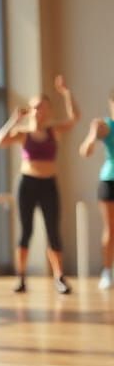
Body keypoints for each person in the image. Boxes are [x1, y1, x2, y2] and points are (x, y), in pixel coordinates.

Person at [0, 75, 79, 294]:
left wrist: (66, 93)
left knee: (53, 232)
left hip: (49, 184)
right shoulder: (23, 134)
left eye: (44, 108)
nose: (40, 112)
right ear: (30, 110)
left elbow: (75, 118)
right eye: (36, 107)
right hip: (27, 185)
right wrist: (14, 120)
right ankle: (21, 277)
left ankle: (59, 276)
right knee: (26, 232)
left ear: (49, 111)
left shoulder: (53, 131)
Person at [78, 90, 114, 290]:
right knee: (111, 228)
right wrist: (92, 133)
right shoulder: (106, 126)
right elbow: (85, 151)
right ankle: (107, 271)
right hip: (110, 181)